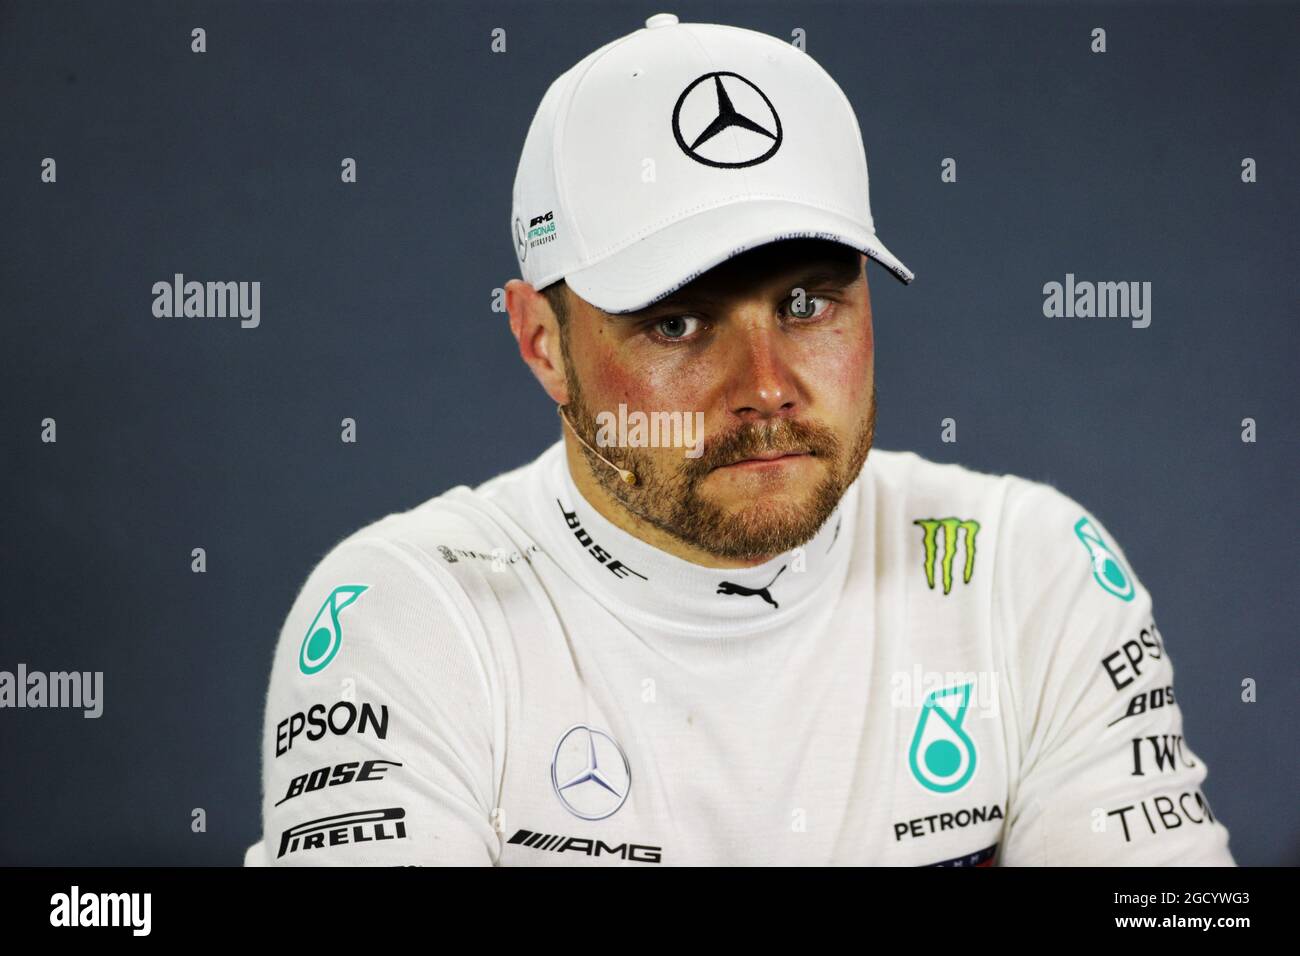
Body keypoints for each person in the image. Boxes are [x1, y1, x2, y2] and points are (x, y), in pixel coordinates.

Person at [245, 13, 1233, 866]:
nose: (764, 389)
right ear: (543, 342)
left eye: (807, 304)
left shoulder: (1025, 572)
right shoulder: (412, 616)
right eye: (677, 323)